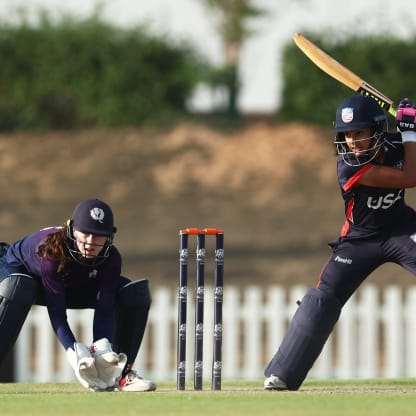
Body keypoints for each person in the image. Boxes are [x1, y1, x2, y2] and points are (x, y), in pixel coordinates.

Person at [263, 94, 416, 391]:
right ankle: (283, 374)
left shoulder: (398, 144)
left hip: (402, 227)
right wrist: (410, 131)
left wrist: (411, 130)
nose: (353, 141)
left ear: (376, 130)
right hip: (358, 240)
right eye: (347, 135)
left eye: (359, 132)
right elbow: (411, 176)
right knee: (324, 298)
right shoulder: (347, 167)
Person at [0, 198, 156, 392]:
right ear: (72, 230)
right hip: (16, 271)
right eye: (86, 233)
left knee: (134, 293)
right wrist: (72, 349)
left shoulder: (112, 258)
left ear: (109, 237)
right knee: (19, 288)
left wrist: (102, 348)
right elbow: (57, 311)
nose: (90, 242)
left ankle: (123, 376)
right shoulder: (51, 251)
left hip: (69, 282)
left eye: (99, 236)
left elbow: (104, 306)